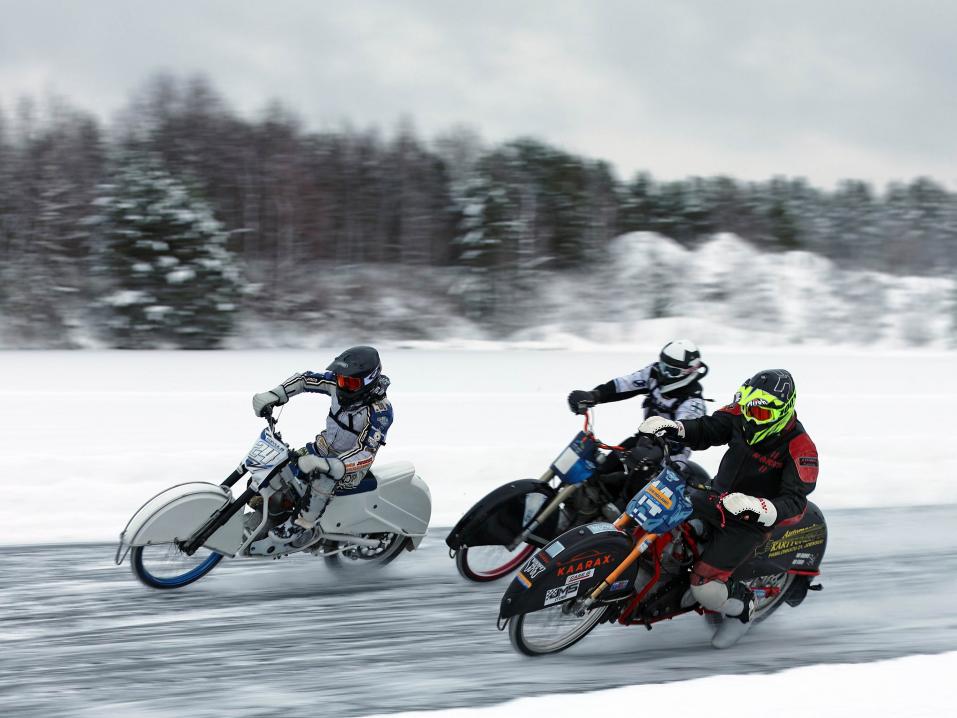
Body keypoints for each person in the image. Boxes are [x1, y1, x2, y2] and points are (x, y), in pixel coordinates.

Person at [637, 368, 819, 649]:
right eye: (746, 409)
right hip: (715, 496)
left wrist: (757, 506)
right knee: (664, 522)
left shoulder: (801, 449)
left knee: (705, 589)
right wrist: (676, 428)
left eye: (759, 414)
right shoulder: (742, 413)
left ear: (782, 411)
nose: (749, 417)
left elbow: (795, 503)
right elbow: (710, 428)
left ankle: (743, 608)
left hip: (748, 522)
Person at [249, 345, 393, 550]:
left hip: (349, 467)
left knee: (322, 477)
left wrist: (332, 465)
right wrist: (275, 394)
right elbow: (305, 379)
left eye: (350, 382)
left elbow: (366, 452)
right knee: (279, 466)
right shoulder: (337, 383)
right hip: (321, 449)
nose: (342, 386)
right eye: (341, 379)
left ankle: (302, 525)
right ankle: (276, 510)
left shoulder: (380, 411)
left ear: (368, 382)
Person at [567, 339, 709, 476]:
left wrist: (656, 451)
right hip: (643, 441)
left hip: (669, 459)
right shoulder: (654, 373)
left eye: (670, 371)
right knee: (601, 472)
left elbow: (682, 436)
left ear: (688, 372)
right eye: (663, 366)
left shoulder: (693, 403)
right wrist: (594, 395)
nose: (663, 374)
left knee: (629, 490)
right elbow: (625, 384)